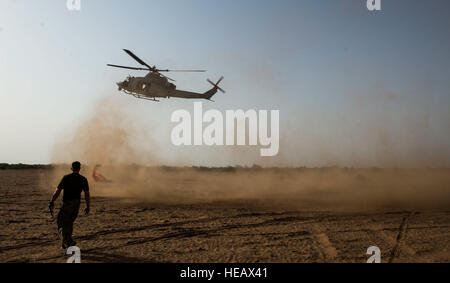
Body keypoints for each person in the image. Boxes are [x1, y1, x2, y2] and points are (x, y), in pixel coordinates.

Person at [49, 161, 90, 249]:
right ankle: (65, 244)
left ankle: (68, 241)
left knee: (61, 222)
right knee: (69, 222)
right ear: (79, 168)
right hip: (77, 204)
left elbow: (58, 191)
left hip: (68, 203)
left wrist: (52, 200)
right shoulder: (83, 179)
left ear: (71, 168)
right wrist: (87, 206)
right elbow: (87, 194)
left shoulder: (66, 178)